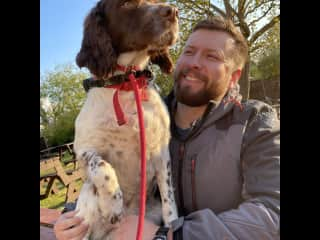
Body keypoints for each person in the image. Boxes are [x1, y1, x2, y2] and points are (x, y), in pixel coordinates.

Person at [54, 16, 280, 240]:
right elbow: (115, 174)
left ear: (234, 77)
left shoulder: (254, 121)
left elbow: (272, 212)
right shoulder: (144, 116)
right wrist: (72, 215)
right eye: (189, 51)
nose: (194, 62)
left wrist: (169, 235)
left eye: (212, 56)